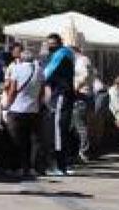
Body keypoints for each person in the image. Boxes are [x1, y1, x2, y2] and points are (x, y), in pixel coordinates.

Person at [4, 49, 45, 179]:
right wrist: (37, 104)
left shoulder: (16, 69)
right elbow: (42, 91)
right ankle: (32, 167)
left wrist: (7, 105)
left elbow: (12, 89)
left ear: (21, 59)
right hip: (33, 110)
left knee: (16, 140)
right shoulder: (39, 70)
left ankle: (17, 167)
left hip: (17, 110)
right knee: (33, 140)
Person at [42, 32, 76, 176]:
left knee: (57, 131)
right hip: (66, 95)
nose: (50, 47)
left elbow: (45, 74)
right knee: (63, 130)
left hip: (60, 95)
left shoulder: (58, 56)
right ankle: (64, 164)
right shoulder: (68, 54)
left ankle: (57, 165)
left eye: (51, 45)